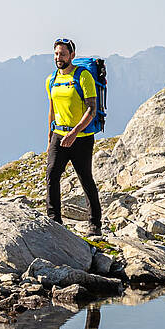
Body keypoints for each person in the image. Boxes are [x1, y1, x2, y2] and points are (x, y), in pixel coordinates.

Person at [45, 37, 102, 236]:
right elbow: (51, 110)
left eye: (62, 54)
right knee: (52, 174)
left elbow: (92, 109)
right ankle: (54, 221)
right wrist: (49, 137)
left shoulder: (83, 76)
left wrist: (74, 132)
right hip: (59, 135)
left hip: (82, 137)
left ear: (72, 56)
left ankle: (95, 225)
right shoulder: (51, 79)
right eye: (56, 54)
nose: (58, 57)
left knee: (85, 178)